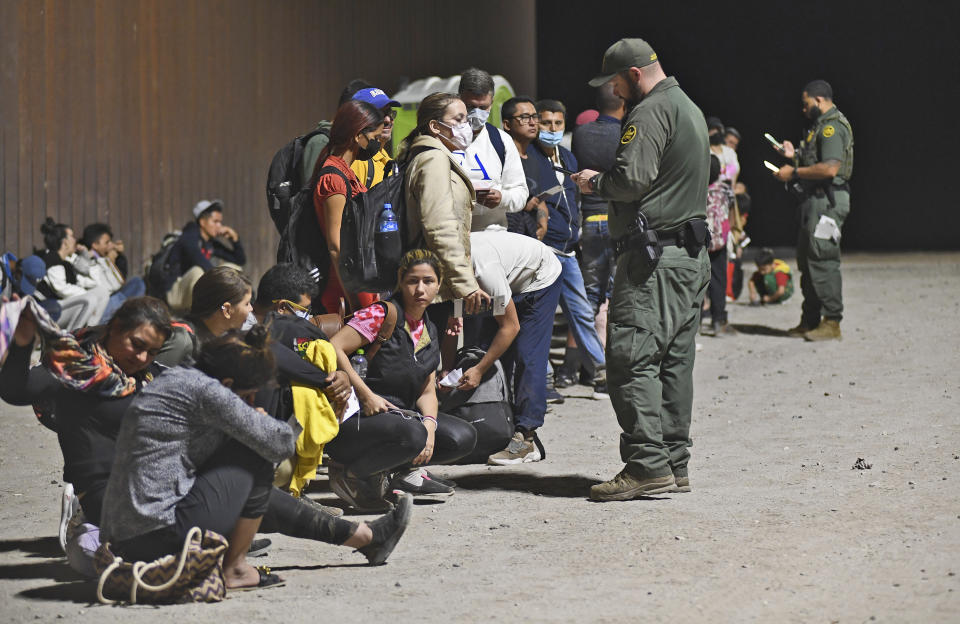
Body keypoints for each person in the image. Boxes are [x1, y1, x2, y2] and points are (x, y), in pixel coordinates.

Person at [573, 38, 711, 501]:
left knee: (630, 360)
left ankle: (647, 466)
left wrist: (597, 181)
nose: (613, 90)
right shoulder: (687, 105)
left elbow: (631, 180)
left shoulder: (651, 110)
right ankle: (674, 463)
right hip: (689, 257)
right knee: (673, 363)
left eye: (614, 80)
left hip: (654, 260)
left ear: (633, 74)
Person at [328, 250, 478, 506]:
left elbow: (427, 390)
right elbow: (333, 346)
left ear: (439, 285)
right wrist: (366, 394)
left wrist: (430, 427)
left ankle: (400, 473)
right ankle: (352, 474)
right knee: (413, 434)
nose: (420, 289)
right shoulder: (383, 314)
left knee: (462, 436)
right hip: (357, 419)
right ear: (401, 282)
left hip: (402, 421)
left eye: (428, 281)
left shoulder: (429, 327)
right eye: (412, 281)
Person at [528, 98, 608, 399]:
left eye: (557, 124)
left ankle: (601, 372)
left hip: (570, 251)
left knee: (582, 313)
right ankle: (544, 379)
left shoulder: (569, 158)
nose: (551, 129)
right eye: (546, 123)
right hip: (543, 251)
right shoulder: (530, 159)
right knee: (540, 318)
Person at [466, 230, 563, 465]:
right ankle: (499, 428)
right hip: (508, 279)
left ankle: (526, 437)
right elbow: (452, 326)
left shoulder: (483, 268)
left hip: (539, 279)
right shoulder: (446, 271)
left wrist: (478, 370)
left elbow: (510, 327)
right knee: (483, 349)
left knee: (527, 355)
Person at [770, 79, 853, 341]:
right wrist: (792, 156)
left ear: (819, 100)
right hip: (813, 202)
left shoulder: (831, 128)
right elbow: (815, 162)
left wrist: (792, 172)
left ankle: (832, 322)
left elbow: (829, 169)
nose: (803, 110)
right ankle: (810, 320)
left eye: (806, 104)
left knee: (823, 259)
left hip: (827, 202)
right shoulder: (817, 128)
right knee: (808, 262)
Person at [399, 92, 491, 315]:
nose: (466, 126)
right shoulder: (433, 159)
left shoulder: (430, 155)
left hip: (436, 280)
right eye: (458, 120)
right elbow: (439, 226)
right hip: (431, 285)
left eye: (466, 120)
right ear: (435, 126)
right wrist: (466, 286)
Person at [312, 99, 385, 314]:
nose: (378, 144)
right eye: (375, 137)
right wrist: (354, 298)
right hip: (345, 287)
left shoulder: (346, 171)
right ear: (357, 135)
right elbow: (336, 246)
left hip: (359, 277)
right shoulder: (334, 177)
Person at [572, 82, 627, 332]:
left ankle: (584, 362)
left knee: (589, 295)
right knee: (619, 294)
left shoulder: (581, 134)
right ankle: (613, 356)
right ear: (623, 102)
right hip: (619, 221)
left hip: (591, 219)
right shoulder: (626, 135)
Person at [455, 68, 528, 232]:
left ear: (492, 103)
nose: (476, 113)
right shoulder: (443, 138)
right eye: (470, 106)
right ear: (459, 100)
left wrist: (502, 198)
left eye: (483, 107)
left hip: (493, 236)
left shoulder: (501, 141)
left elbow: (520, 193)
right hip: (453, 237)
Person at [165, 200, 246, 313]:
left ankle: (237, 306)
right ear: (202, 222)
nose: (220, 226)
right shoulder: (189, 237)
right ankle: (203, 314)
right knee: (197, 271)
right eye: (215, 221)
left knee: (233, 268)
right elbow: (199, 260)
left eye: (220, 222)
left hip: (193, 293)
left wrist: (235, 239)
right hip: (175, 293)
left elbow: (239, 260)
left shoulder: (209, 243)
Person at [36, 218, 110, 330]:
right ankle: (72, 338)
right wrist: (86, 293)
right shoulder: (52, 259)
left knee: (102, 292)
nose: (75, 240)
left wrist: (87, 261)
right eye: (72, 237)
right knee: (90, 299)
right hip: (49, 310)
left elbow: (93, 282)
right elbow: (61, 289)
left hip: (62, 306)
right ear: (65, 242)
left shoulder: (67, 262)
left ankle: (88, 331)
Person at [501, 96, 548, 240]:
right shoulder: (500, 157)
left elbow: (539, 199)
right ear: (507, 125)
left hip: (530, 236)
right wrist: (521, 203)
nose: (533, 122)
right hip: (506, 235)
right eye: (525, 117)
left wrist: (543, 220)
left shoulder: (534, 160)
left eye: (535, 116)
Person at [80, 223, 146, 323]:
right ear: (95, 245)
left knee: (137, 283)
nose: (111, 245)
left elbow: (121, 279)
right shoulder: (88, 260)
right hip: (100, 309)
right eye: (107, 242)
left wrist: (119, 257)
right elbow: (112, 286)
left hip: (110, 301)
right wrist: (110, 261)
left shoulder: (102, 257)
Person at [702, 154, 736, 337]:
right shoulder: (726, 189)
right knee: (718, 280)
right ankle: (718, 320)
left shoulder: (696, 189)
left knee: (697, 282)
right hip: (720, 240)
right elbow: (731, 212)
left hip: (700, 240)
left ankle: (695, 321)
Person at [350, 87, 401, 186]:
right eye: (379, 114)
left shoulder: (385, 156)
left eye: (390, 113)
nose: (387, 120)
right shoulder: (358, 161)